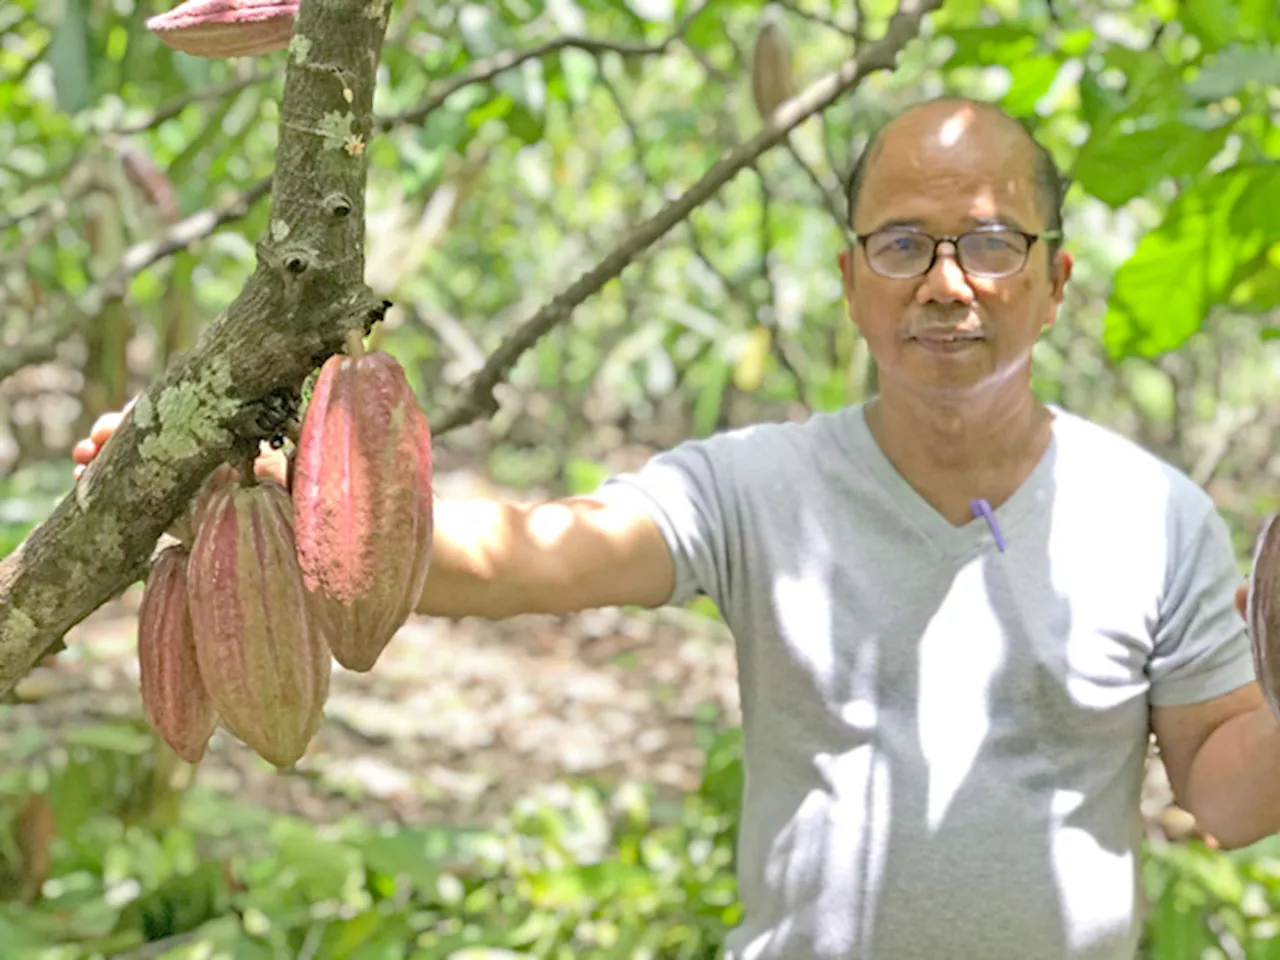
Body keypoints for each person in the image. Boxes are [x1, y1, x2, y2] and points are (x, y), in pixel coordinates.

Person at [74, 97, 1271, 960]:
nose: (945, 283)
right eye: (901, 244)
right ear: (851, 279)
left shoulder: (1151, 513)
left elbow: (1223, 797)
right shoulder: (758, 487)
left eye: (992, 244)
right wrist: (264, 484)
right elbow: (518, 563)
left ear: (1054, 279)